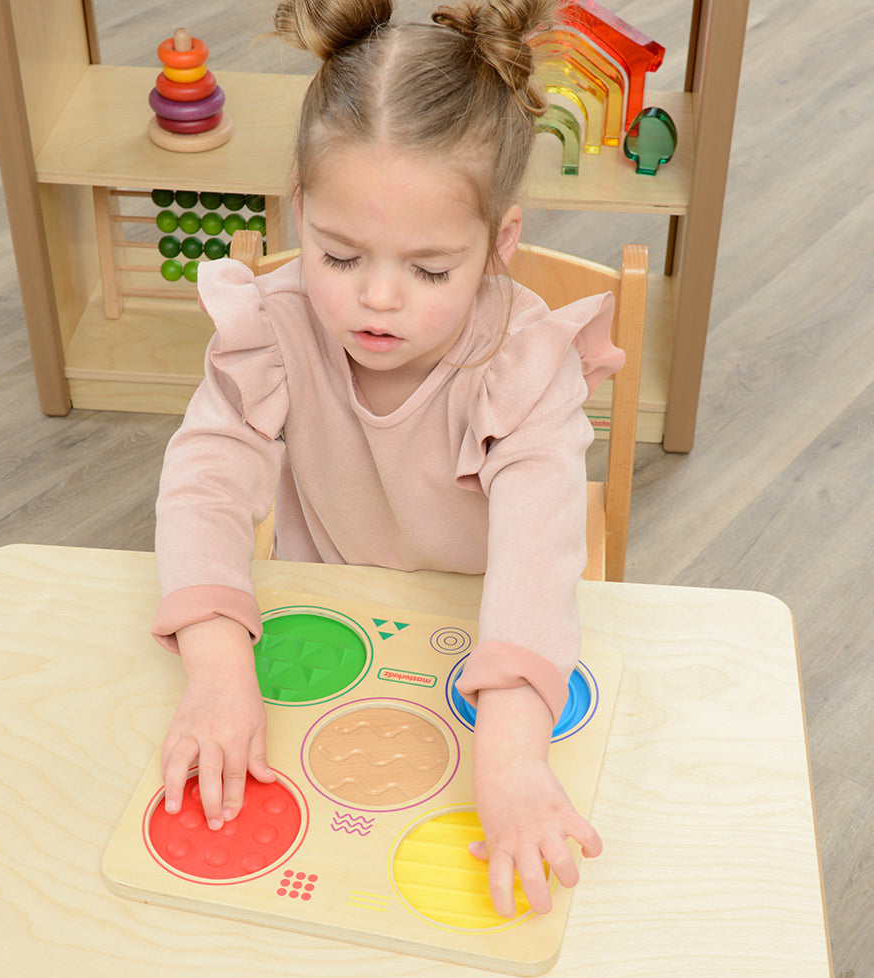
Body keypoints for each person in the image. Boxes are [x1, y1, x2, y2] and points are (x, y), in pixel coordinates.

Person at [152, 0, 624, 919]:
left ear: (502, 242)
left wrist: (516, 755)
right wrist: (215, 672)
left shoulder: (522, 368)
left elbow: (535, 558)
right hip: (328, 617)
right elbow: (205, 479)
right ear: (299, 205)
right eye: (336, 254)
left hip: (475, 634)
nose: (376, 299)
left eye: (432, 270)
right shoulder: (276, 326)